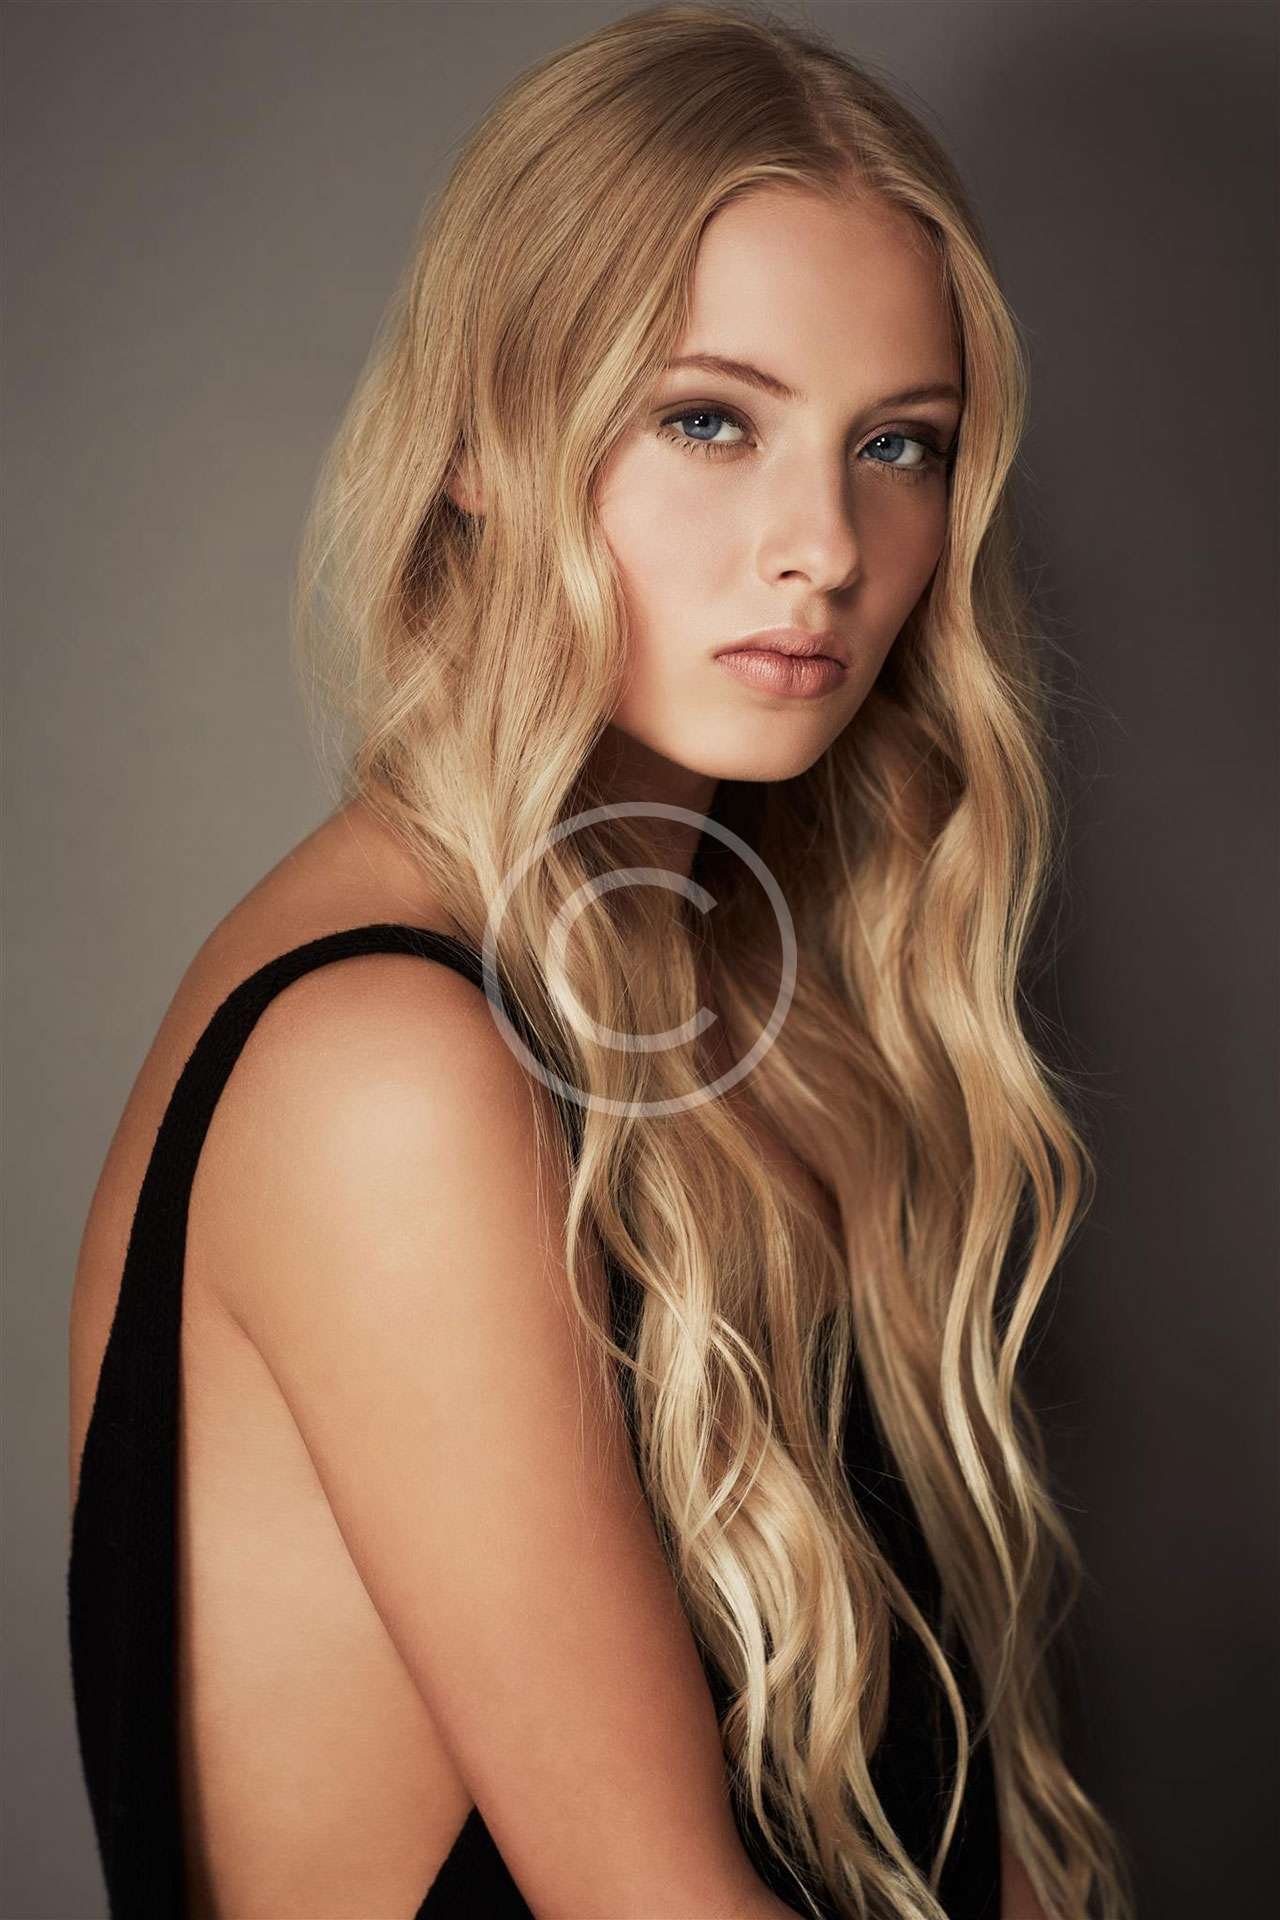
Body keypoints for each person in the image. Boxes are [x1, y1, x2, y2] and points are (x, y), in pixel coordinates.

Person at [67, 5, 1135, 1917]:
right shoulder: (384, 1073)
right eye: (709, 419)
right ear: (484, 441)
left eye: (897, 445)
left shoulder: (740, 1017)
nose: (823, 546)